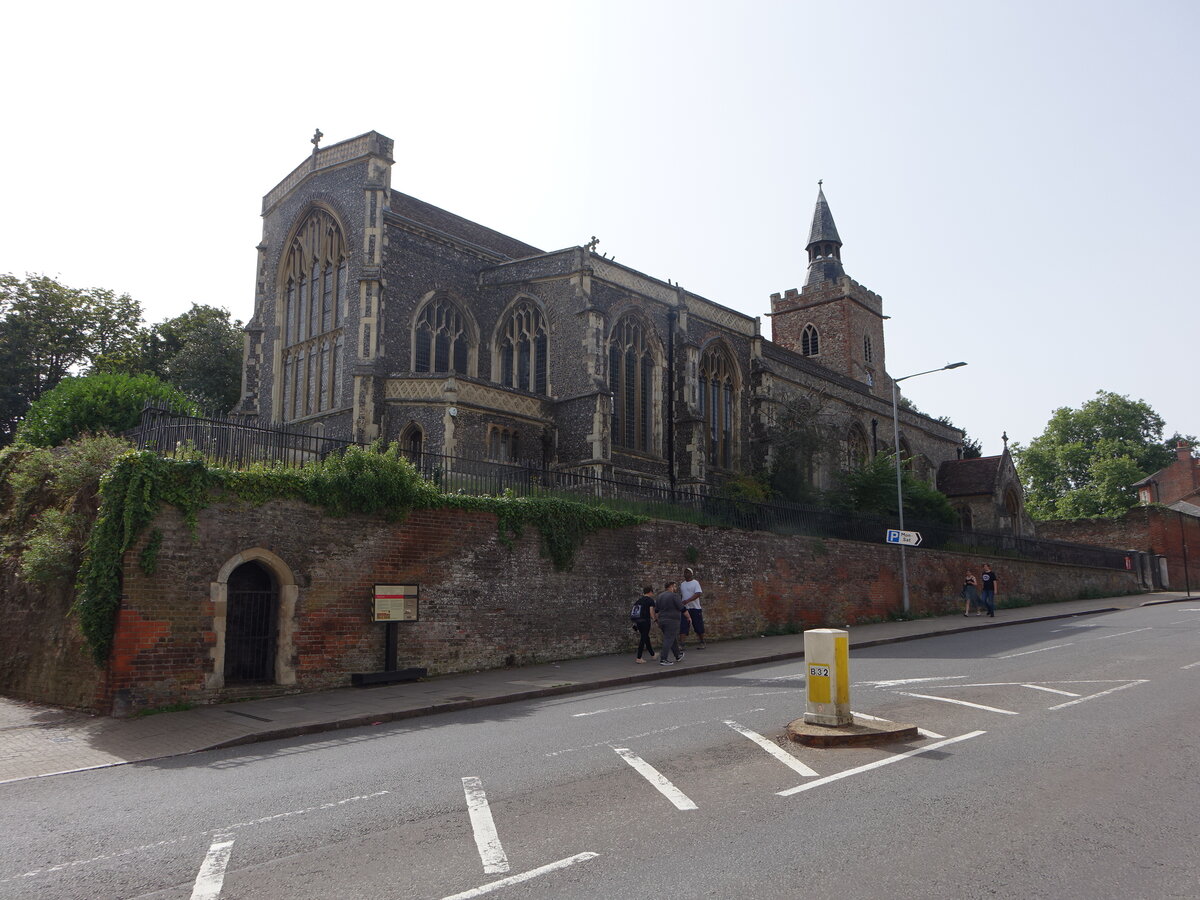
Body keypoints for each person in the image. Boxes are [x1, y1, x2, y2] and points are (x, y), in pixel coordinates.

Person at [654, 581, 689, 666]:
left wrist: (657, 620)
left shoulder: (659, 596)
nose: (676, 588)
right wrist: (688, 617)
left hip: (662, 620)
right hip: (672, 621)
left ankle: (678, 655)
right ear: (671, 587)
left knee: (671, 638)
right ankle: (663, 659)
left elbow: (656, 610)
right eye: (675, 586)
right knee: (668, 639)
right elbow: (682, 608)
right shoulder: (674, 596)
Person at [679, 567, 706, 648]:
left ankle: (702, 642)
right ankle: (682, 644)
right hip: (685, 609)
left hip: (695, 608)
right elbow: (682, 595)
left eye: (687, 572)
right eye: (685, 572)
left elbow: (698, 594)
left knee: (698, 626)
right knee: (683, 626)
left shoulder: (695, 583)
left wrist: (688, 600)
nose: (686, 574)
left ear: (691, 574)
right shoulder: (682, 584)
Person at [632, 585, 656, 663]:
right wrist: (655, 619)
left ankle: (653, 654)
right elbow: (651, 611)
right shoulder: (650, 600)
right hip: (645, 621)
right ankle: (639, 658)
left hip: (638, 622)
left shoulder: (638, 600)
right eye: (652, 592)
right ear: (650, 592)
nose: (653, 594)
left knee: (646, 638)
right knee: (643, 638)